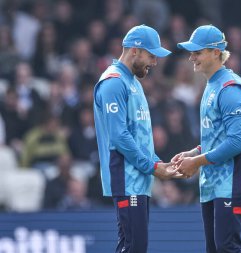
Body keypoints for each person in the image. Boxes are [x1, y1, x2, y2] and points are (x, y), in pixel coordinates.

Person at [173, 25, 241, 253]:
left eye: (197, 52)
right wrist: (194, 152)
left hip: (232, 182)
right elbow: (218, 136)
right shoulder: (212, 85)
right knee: (216, 249)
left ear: (216, 52)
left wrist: (196, 162)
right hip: (214, 183)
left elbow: (237, 142)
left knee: (226, 247)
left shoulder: (230, 88)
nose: (191, 57)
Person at [93, 24, 179, 253]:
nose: (155, 62)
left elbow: (139, 138)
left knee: (133, 246)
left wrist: (159, 163)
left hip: (138, 180)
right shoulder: (113, 82)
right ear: (134, 50)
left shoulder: (133, 83)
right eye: (151, 55)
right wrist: (151, 166)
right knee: (133, 247)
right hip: (126, 179)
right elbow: (119, 137)